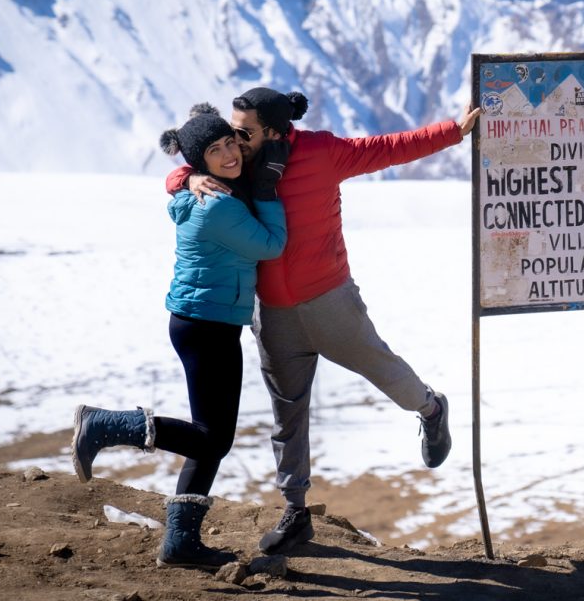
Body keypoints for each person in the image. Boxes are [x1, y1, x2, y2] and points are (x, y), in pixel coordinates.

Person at [166, 87, 479, 555]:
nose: (233, 141)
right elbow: (188, 166)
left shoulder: (322, 152)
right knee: (286, 415)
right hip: (272, 314)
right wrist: (184, 180)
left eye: (242, 132)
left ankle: (431, 409)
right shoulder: (237, 164)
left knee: (383, 369)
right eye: (230, 133)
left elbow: (389, 148)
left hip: (331, 299)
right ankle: (295, 512)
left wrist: (453, 132)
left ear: (273, 132)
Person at [71, 104, 289, 569]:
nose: (231, 153)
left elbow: (179, 182)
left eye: (231, 142)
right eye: (216, 150)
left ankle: (180, 543)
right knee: (212, 437)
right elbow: (272, 245)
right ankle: (107, 425)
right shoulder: (218, 206)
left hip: (203, 321)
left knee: (209, 438)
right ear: (199, 161)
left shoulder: (200, 192)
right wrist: (268, 192)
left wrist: (186, 177)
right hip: (207, 324)